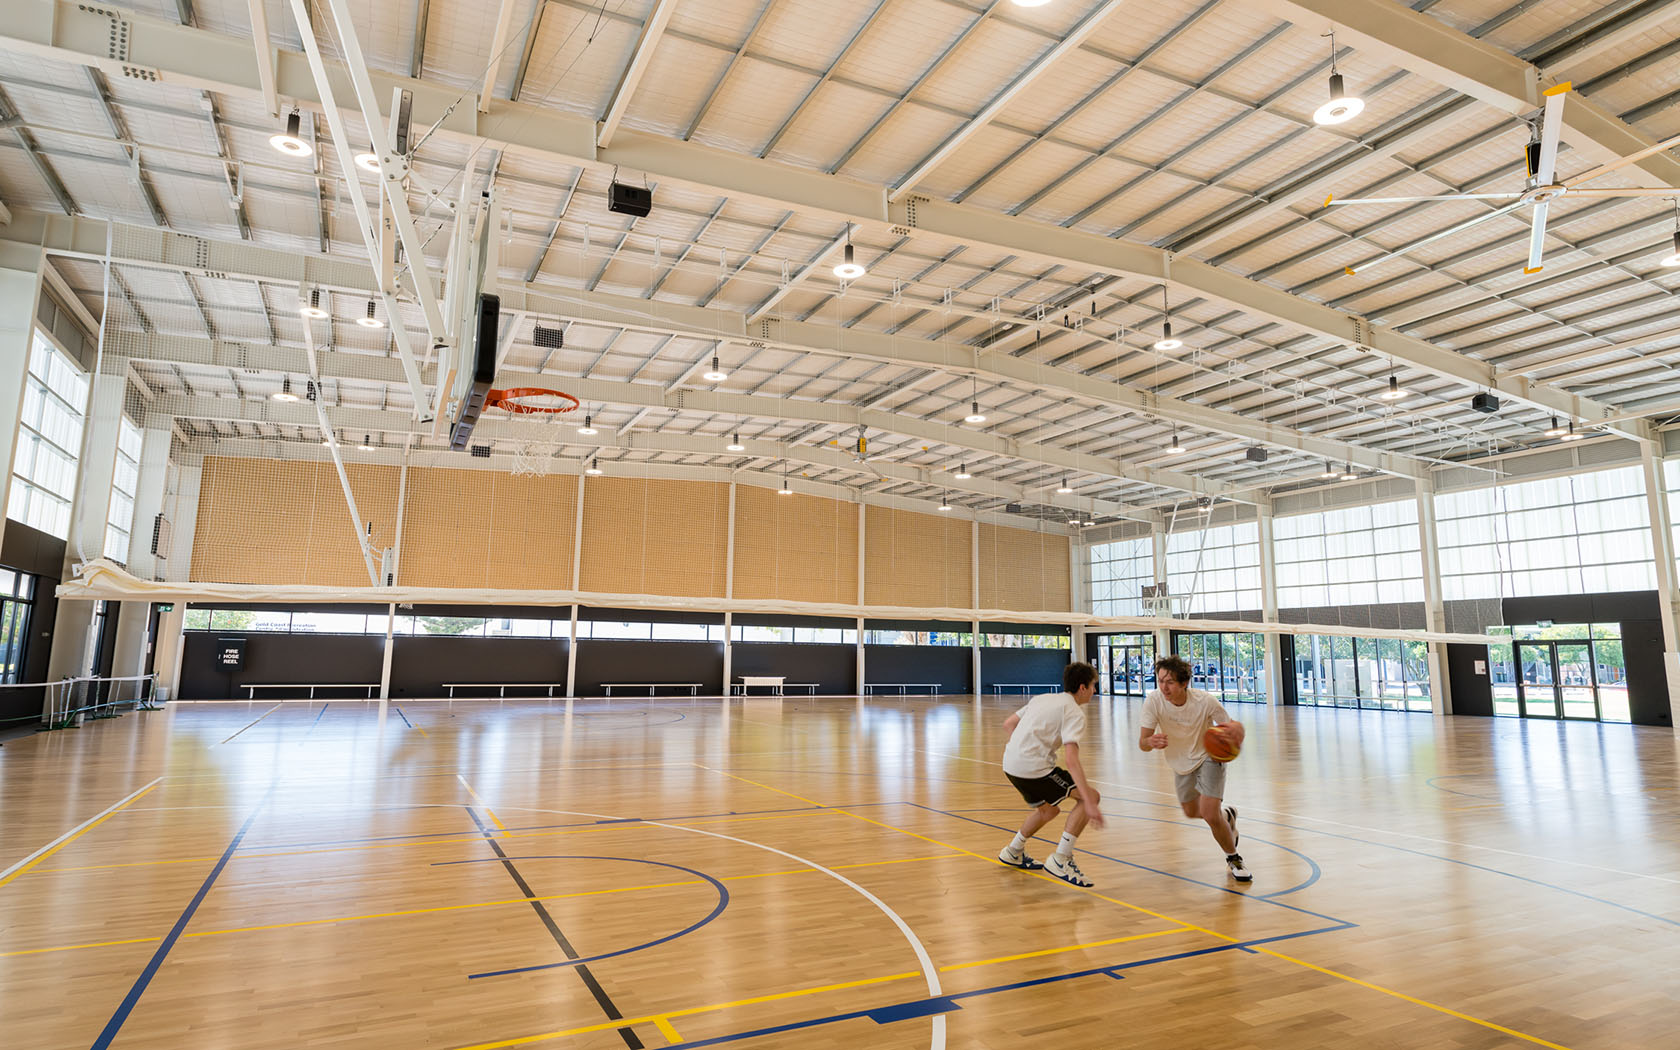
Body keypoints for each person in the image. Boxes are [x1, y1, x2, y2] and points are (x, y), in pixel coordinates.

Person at [1139, 654, 1251, 882]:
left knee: (1209, 813)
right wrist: (1150, 742)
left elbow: (1230, 726)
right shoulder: (1153, 701)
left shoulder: (1205, 701)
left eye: (1169, 682)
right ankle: (1226, 817)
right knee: (1191, 812)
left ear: (1183, 683)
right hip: (1180, 762)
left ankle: (1234, 858)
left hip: (1209, 757)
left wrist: (1238, 730)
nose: (1164, 687)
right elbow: (1143, 743)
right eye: (1160, 681)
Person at [997, 661, 1105, 888]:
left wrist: (1023, 747)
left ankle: (1013, 851)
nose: (1095, 691)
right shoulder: (1074, 712)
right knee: (1091, 797)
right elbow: (1072, 760)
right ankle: (1061, 859)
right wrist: (1090, 802)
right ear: (1082, 687)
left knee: (1048, 810)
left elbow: (1009, 724)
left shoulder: (1042, 698)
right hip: (1033, 768)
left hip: (1010, 764)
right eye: (1093, 686)